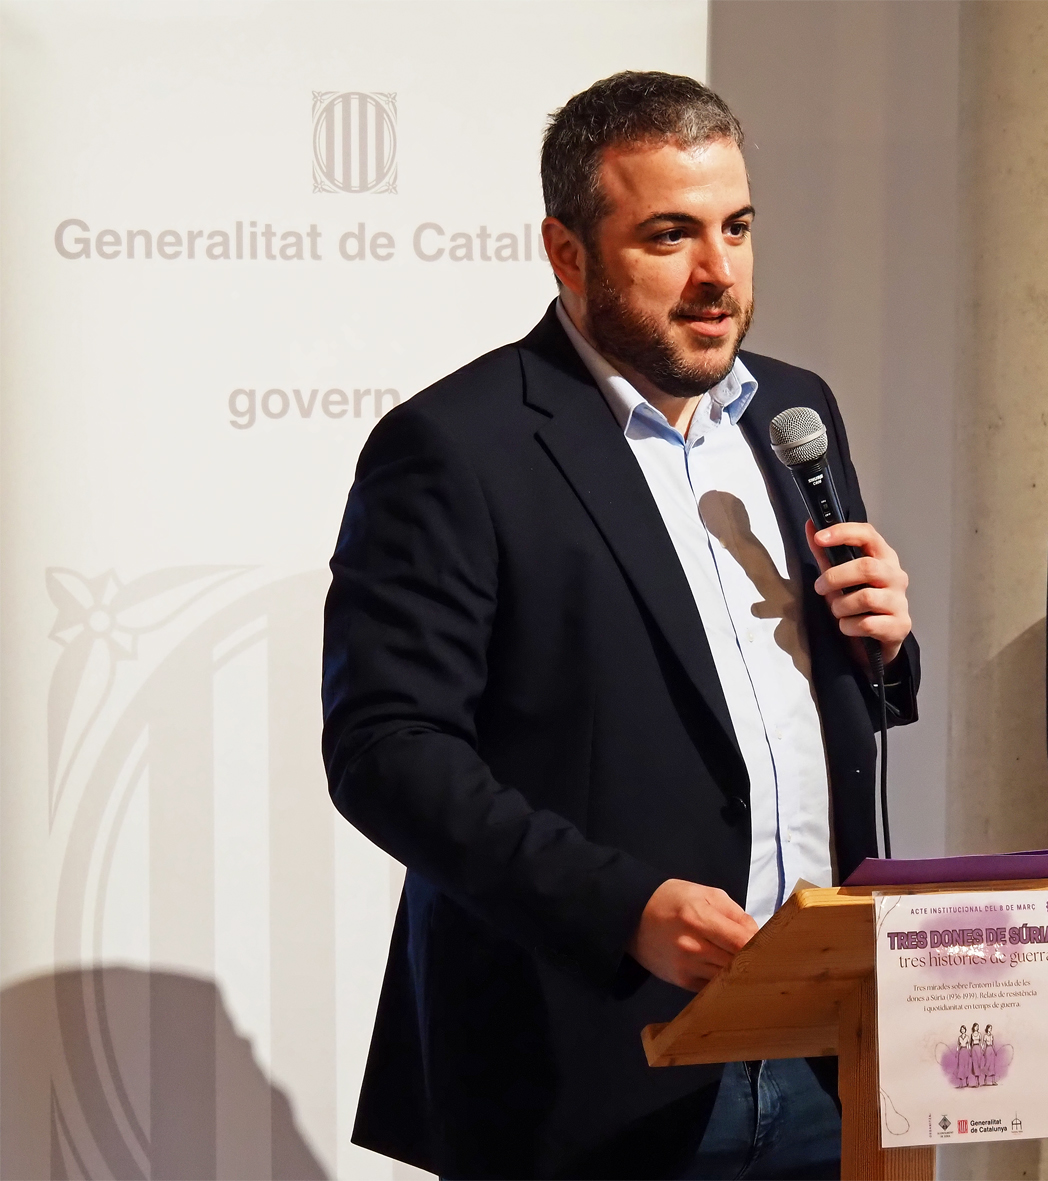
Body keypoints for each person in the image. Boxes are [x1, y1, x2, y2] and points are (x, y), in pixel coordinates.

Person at [321, 71, 920, 1180]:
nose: (718, 274)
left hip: (827, 1054)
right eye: (669, 236)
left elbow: (785, 697)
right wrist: (625, 906)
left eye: (737, 228)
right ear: (567, 252)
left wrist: (881, 640)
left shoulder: (798, 410)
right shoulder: (459, 445)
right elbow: (386, 752)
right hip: (586, 1071)